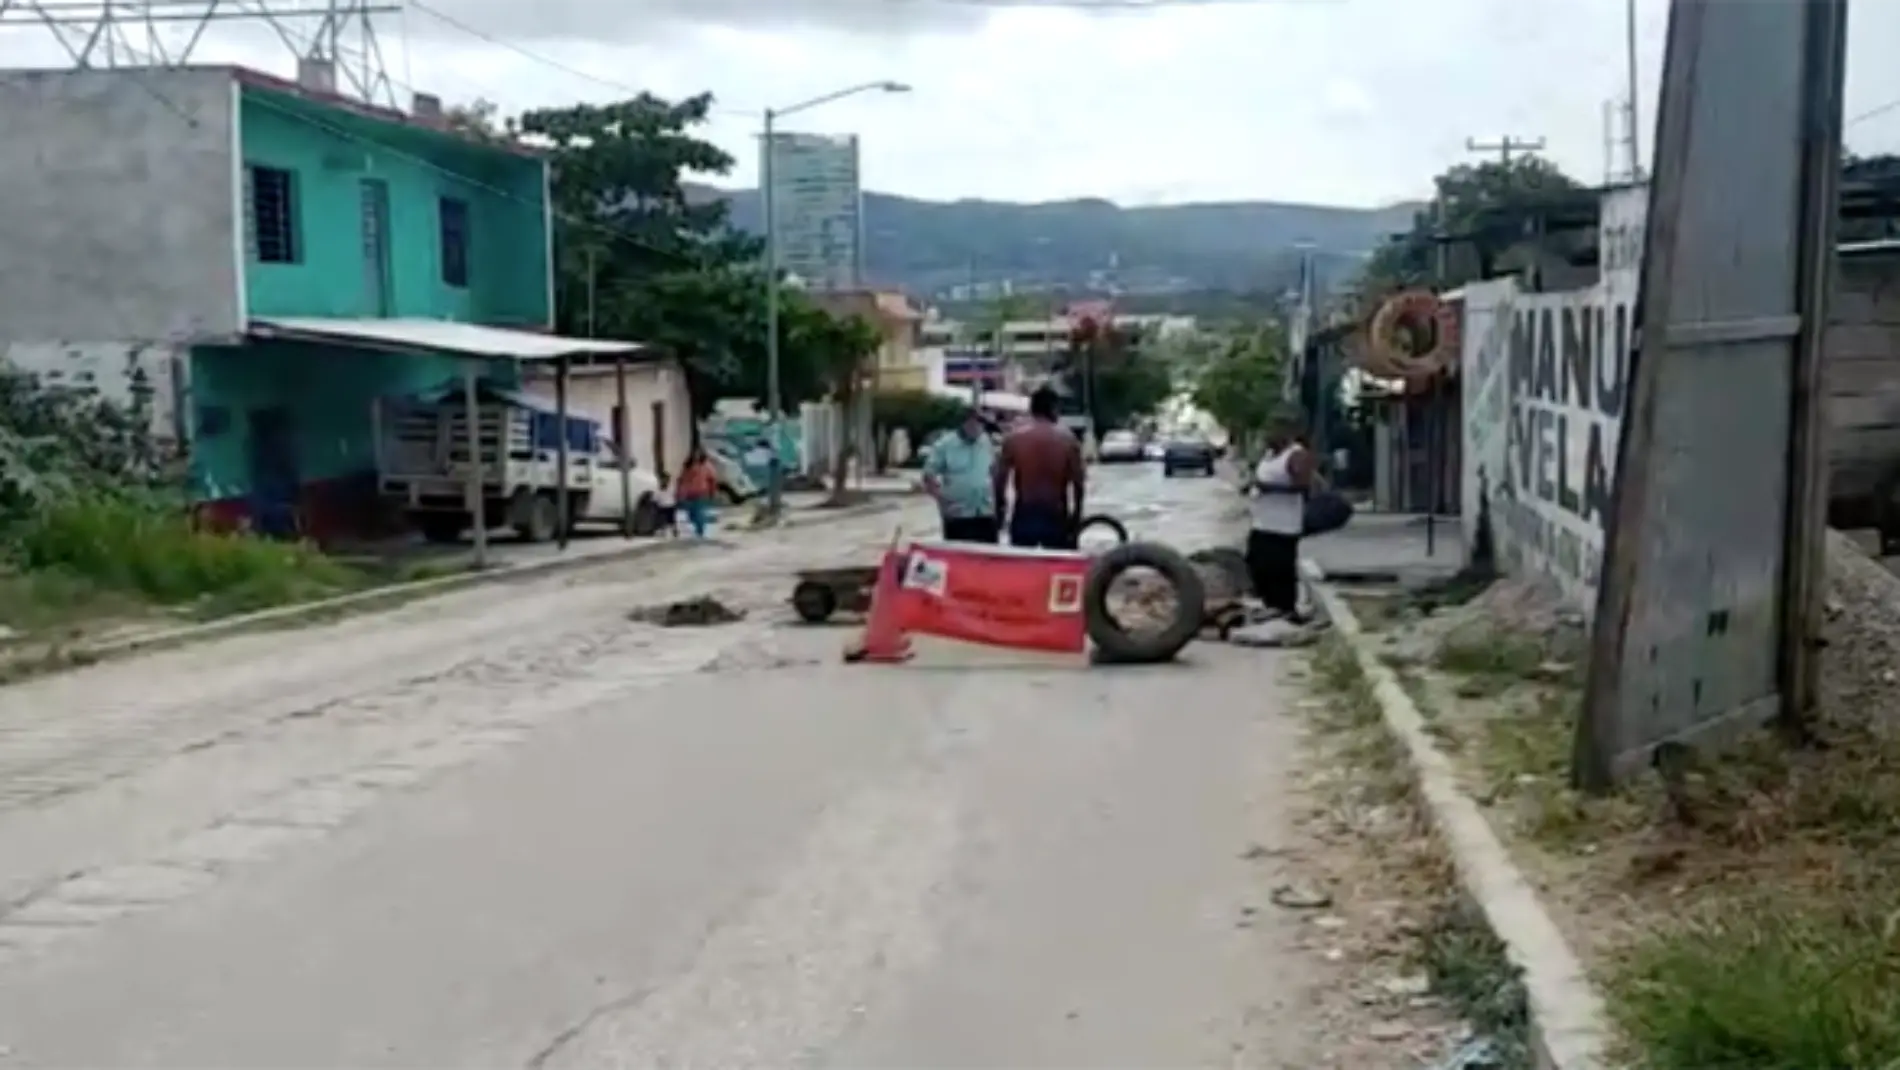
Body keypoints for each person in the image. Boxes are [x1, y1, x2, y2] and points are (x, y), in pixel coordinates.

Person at [995, 385, 1085, 549]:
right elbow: (1078, 483)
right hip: (1056, 513)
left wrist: (1000, 510)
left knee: (1023, 568)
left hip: (1025, 512)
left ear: (1032, 409)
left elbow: (999, 480)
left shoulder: (1014, 439)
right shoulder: (1068, 440)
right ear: (1054, 408)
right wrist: (1076, 517)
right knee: (1057, 568)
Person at [1247, 417, 1315, 621]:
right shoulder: (1268, 455)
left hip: (1284, 525)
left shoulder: (1296, 455)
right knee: (1257, 564)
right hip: (1262, 522)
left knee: (1280, 570)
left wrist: (1269, 488)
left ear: (1284, 432)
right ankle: (1270, 606)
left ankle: (1286, 609)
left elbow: (1303, 487)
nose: (1266, 437)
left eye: (1270, 432)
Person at [922, 405, 999, 542]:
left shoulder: (985, 442)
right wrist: (943, 502)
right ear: (967, 421)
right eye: (978, 421)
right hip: (959, 515)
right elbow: (928, 476)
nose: (980, 427)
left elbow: (993, 471)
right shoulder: (945, 445)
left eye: (983, 423)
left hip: (984, 513)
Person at [675, 447, 719, 539]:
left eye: (698, 454)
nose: (696, 456)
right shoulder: (688, 465)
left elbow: (712, 480)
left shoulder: (707, 466)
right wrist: (679, 492)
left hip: (701, 493)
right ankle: (699, 528)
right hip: (688, 493)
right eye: (695, 454)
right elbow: (682, 479)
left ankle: (700, 531)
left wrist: (712, 492)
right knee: (691, 514)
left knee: (699, 512)